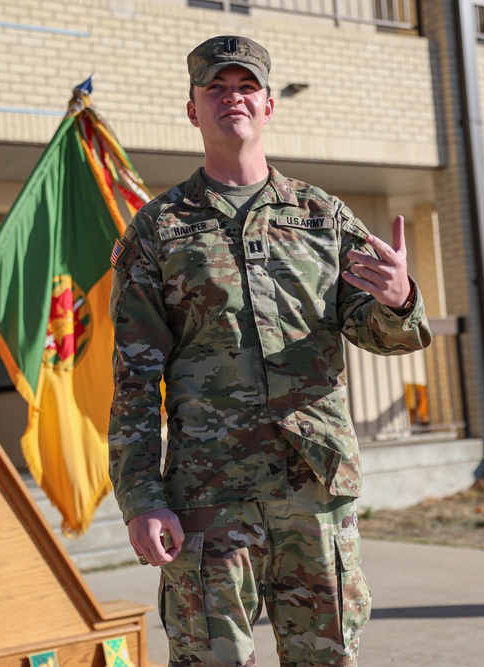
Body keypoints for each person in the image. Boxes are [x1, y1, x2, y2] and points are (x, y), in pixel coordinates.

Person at [108, 34, 432, 667]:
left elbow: (381, 334)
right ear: (193, 109)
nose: (233, 98)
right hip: (208, 495)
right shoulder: (159, 230)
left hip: (313, 490)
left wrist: (399, 299)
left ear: (268, 106)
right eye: (216, 89)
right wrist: (142, 500)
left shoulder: (322, 217)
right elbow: (135, 382)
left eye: (246, 87)